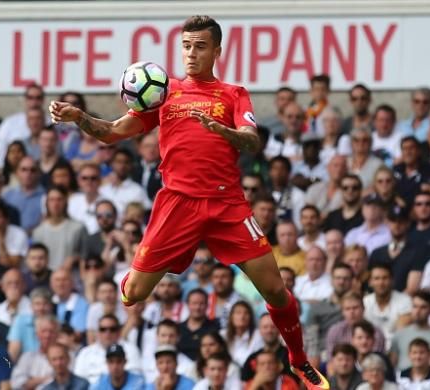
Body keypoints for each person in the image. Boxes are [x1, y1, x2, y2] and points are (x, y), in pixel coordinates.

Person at [51, 20, 325, 387]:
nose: (191, 54)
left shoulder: (233, 93)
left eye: (199, 46)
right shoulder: (164, 92)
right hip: (178, 204)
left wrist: (222, 131)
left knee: (276, 289)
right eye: (186, 46)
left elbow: (251, 140)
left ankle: (299, 360)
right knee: (133, 294)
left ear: (217, 51)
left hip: (227, 203)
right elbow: (114, 132)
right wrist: (79, 118)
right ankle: (135, 270)